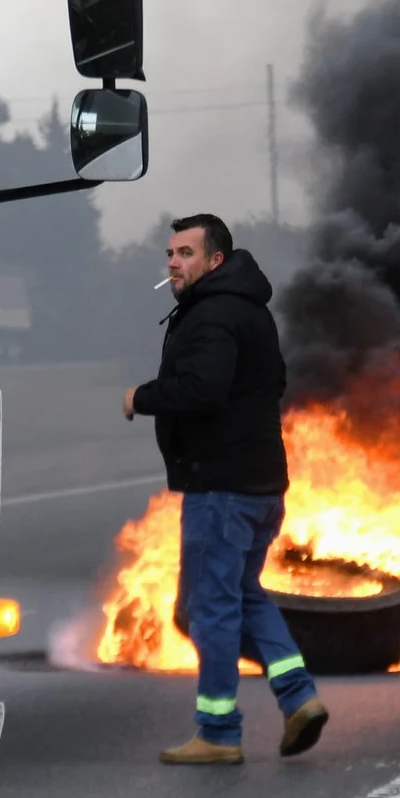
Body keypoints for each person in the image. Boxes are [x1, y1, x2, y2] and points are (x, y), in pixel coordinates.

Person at [123, 214, 328, 765]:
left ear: (215, 260)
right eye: (169, 253)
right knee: (244, 594)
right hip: (262, 486)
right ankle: (299, 698)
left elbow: (202, 389)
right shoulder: (250, 311)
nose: (173, 263)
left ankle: (218, 731)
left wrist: (142, 397)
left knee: (209, 607)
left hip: (222, 489)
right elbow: (273, 383)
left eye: (186, 253)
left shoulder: (211, 316)